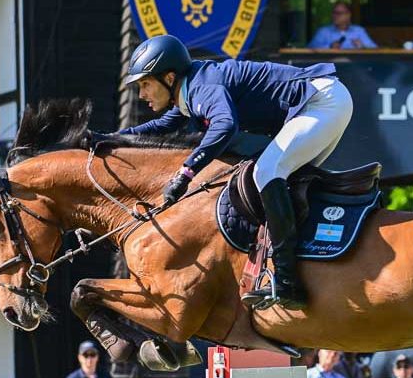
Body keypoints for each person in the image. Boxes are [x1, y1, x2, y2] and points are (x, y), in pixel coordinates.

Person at [120, 34, 354, 310]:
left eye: (145, 84)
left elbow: (224, 126)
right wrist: (112, 137)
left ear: (169, 78)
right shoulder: (191, 90)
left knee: (265, 173)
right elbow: (160, 127)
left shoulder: (203, 87)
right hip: (324, 102)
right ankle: (310, 267)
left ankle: (287, 280)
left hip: (320, 102)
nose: (142, 94)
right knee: (285, 183)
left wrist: (185, 173)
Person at [308, 1, 377, 50]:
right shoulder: (323, 31)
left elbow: (375, 49)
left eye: (339, 13)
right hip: (331, 67)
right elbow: (310, 49)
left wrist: (362, 46)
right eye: (334, 13)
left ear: (348, 15)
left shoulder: (359, 31)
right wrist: (329, 46)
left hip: (355, 67)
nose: (335, 16)